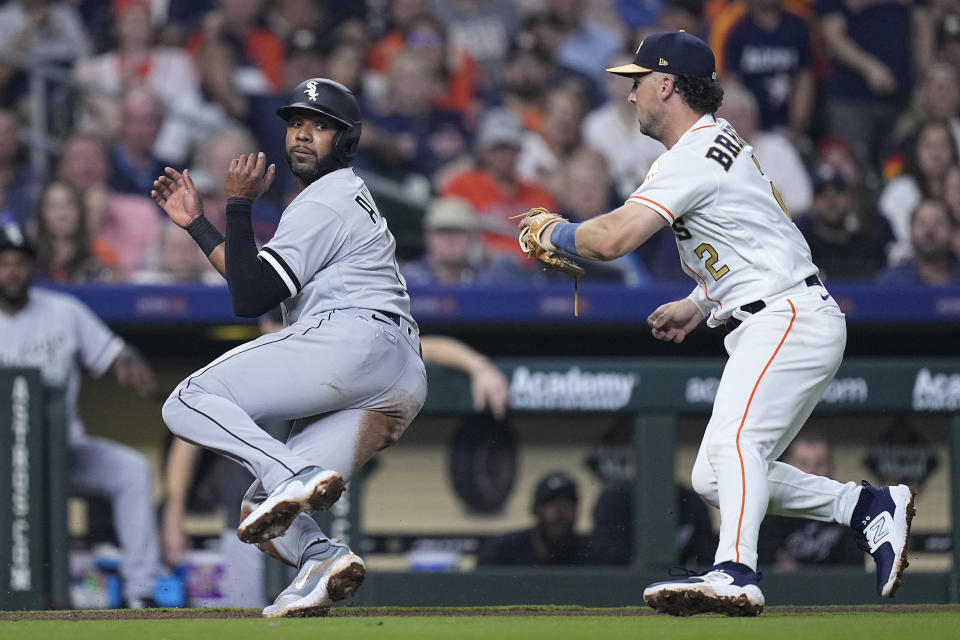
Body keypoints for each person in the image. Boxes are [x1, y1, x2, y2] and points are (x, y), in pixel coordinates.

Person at [518, 31, 915, 616]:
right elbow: (759, 240)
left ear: (667, 85)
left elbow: (615, 239)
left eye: (637, 82)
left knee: (736, 445)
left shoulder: (692, 155)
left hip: (785, 316)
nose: (630, 96)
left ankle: (735, 571)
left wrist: (555, 232)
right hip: (781, 309)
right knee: (714, 477)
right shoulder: (716, 145)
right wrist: (702, 302)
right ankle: (863, 508)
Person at [152, 77, 427, 618]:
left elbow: (249, 300)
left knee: (185, 400)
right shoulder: (338, 198)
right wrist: (200, 225)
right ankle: (323, 560)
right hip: (396, 377)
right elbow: (252, 278)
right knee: (263, 511)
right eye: (296, 123)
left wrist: (236, 204)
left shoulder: (325, 198)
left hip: (352, 338)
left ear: (346, 140)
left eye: (320, 126)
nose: (302, 134)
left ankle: (293, 476)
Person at [0, 223, 163, 609]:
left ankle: (141, 591)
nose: (12, 271)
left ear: (31, 267)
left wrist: (129, 360)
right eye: (4, 263)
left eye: (19, 263)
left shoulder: (63, 311)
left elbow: (114, 353)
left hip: (64, 454)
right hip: (4, 462)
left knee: (132, 471)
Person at [757, 433, 865, 570]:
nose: (812, 471)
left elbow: (854, 574)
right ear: (786, 467)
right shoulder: (769, 512)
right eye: (803, 464)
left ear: (832, 467)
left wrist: (798, 569)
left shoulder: (849, 511)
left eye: (819, 464)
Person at [476, 471, 589, 566]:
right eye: (550, 504)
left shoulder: (590, 554)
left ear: (576, 510)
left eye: (566, 504)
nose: (559, 513)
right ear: (535, 510)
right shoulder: (502, 552)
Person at [876, 199, 960, 286]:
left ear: (951, 231)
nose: (929, 231)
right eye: (922, 223)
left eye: (938, 223)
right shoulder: (891, 282)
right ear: (911, 232)